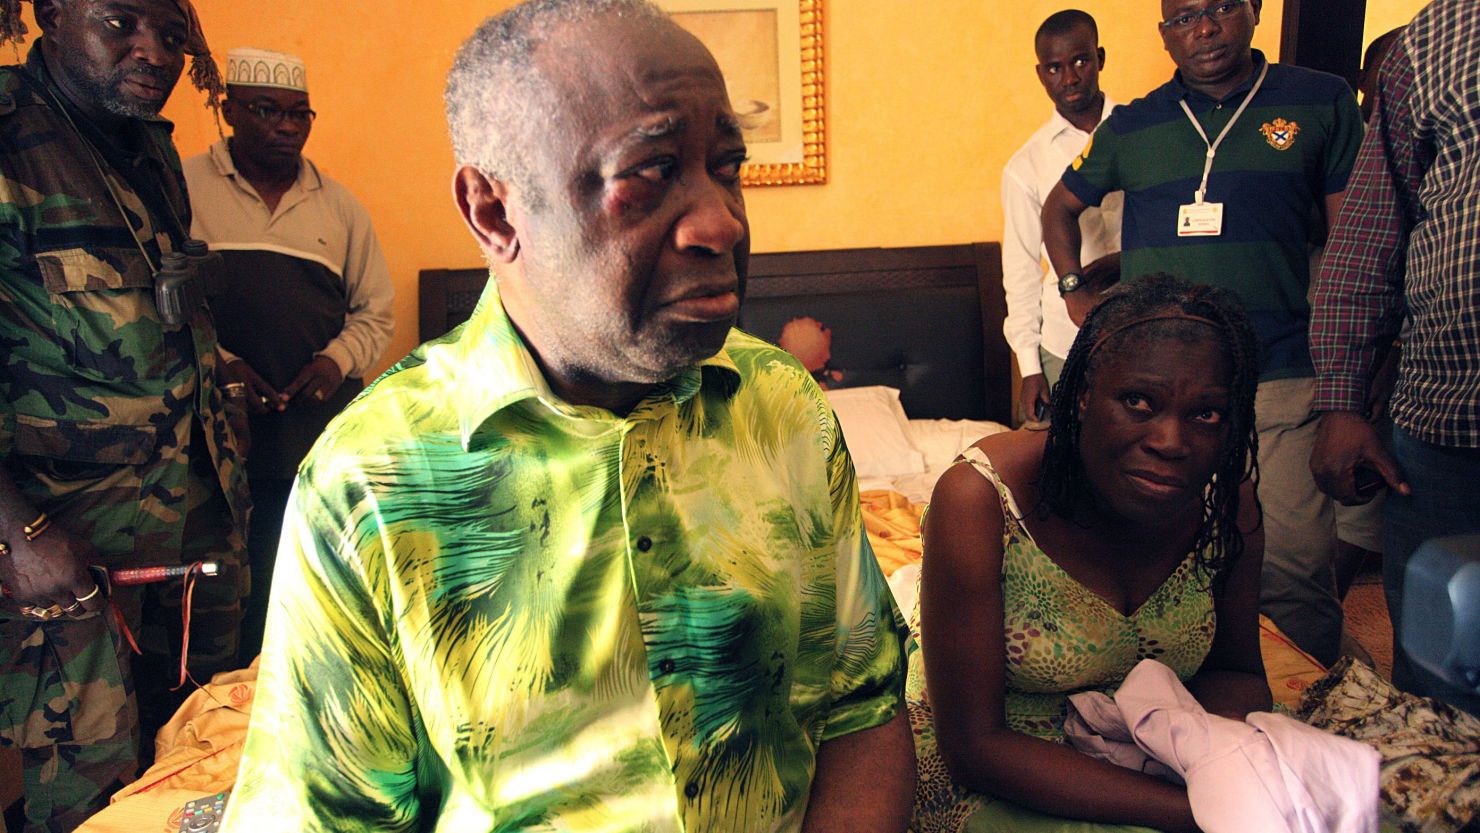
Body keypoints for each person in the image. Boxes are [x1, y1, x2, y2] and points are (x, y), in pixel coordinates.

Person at [219, 1, 914, 831]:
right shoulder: (367, 483)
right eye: (650, 172)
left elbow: (860, 704)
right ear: (494, 211)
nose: (722, 220)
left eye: (726, 166)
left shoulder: (784, 408)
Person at [1039, 0, 1368, 667]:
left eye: (1220, 9)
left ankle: (1304, 719)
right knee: (1167, 564)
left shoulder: (1320, 101)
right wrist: (1075, 291)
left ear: (1251, 12)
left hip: (1281, 377)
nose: (1206, 28)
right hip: (1167, 396)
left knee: (1294, 569)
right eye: (1185, 17)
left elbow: (1355, 246)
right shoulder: (1134, 125)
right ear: (1166, 36)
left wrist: (1349, 389)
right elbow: (1059, 208)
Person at [0, 1, 249, 829]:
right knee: (85, 796)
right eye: (121, 22)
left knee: (189, 773)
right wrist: (21, 532)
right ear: (52, 12)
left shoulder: (147, 145)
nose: (155, 52)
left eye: (173, 36)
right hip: (67, 542)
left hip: (189, 524)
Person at [909, 274, 1270, 833]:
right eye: (1138, 402)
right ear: (1080, 397)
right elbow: (974, 748)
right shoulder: (980, 499)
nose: (1171, 441)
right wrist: (1199, 813)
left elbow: (1236, 671)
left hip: (1167, 756)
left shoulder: (1227, 504)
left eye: (1206, 414)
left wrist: (1214, 762)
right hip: (1003, 765)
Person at [183, 46, 394, 663]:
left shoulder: (340, 206)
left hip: (310, 433)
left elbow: (374, 312)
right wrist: (221, 365)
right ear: (230, 111)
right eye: (265, 109)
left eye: (299, 115)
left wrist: (334, 363)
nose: (285, 126)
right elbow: (162, 305)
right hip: (212, 435)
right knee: (219, 590)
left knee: (296, 581)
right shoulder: (183, 186)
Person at [1309, 0, 1480, 716]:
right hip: (1446, 430)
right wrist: (1344, 400)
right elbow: (1370, 234)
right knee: (1439, 681)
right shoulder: (1439, 37)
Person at [1002, 9, 1121, 425]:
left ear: (1100, 58)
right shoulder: (1026, 165)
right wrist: (1030, 368)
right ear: (1041, 75)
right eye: (1054, 68)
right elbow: (1020, 272)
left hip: (1146, 330)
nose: (1069, 78)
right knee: (1065, 472)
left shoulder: (1142, 131)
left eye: (1080, 61)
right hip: (1064, 340)